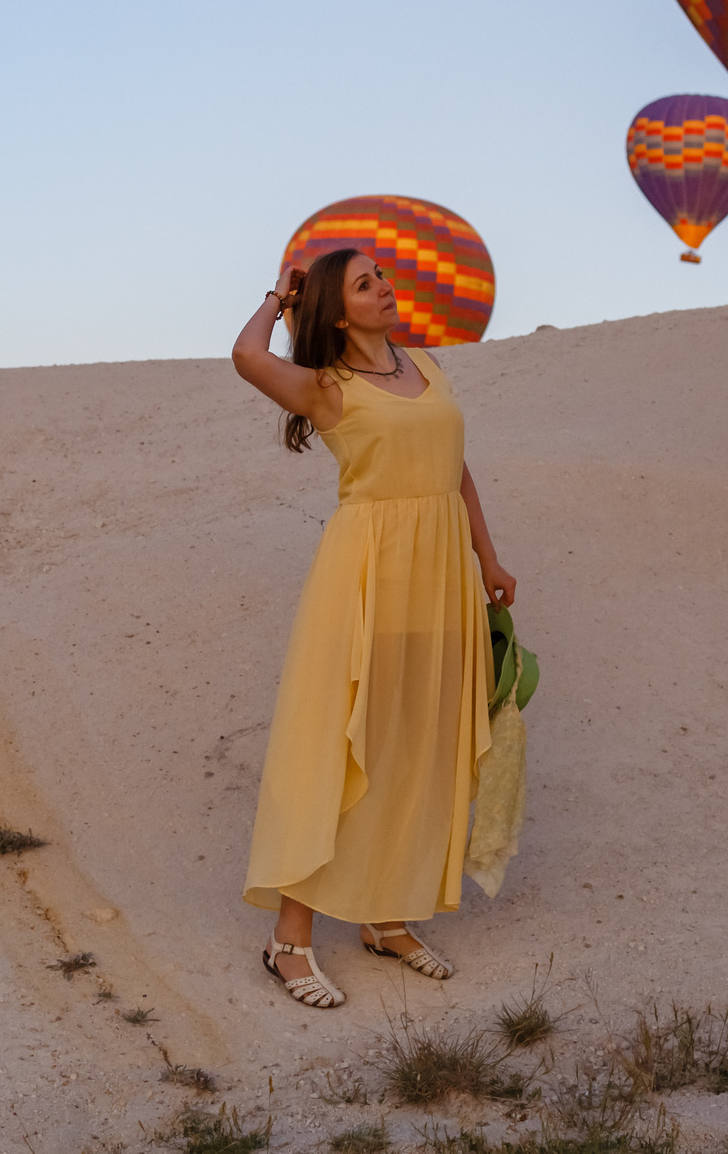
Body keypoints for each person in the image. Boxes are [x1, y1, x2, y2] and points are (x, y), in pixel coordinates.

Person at [230, 247, 519, 1008]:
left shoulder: (423, 367)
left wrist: (487, 554)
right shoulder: (326, 387)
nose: (385, 287)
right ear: (336, 309)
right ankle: (288, 938)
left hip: (441, 578)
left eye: (382, 276)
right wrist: (279, 296)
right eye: (365, 284)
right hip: (365, 577)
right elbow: (245, 356)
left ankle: (384, 917)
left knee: (416, 739)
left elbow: (455, 466)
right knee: (340, 740)